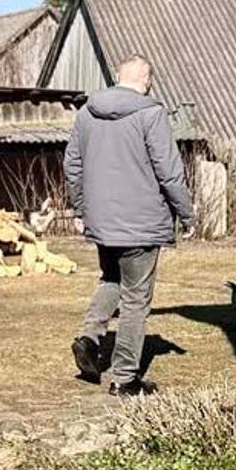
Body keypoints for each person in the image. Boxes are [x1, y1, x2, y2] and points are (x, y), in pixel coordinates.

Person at [64, 55, 196, 397]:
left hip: (102, 221)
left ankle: (89, 338)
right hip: (142, 222)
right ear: (147, 80)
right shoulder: (151, 114)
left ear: (116, 76)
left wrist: (80, 208)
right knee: (136, 298)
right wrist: (186, 214)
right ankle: (125, 379)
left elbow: (72, 166)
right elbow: (169, 171)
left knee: (111, 278)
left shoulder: (87, 113)